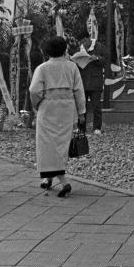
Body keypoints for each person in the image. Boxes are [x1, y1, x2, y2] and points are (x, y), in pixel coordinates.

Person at [29, 36, 86, 197]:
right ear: (64, 49)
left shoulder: (42, 68)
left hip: (48, 107)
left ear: (46, 51)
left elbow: (34, 90)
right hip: (67, 108)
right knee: (61, 145)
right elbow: (79, 90)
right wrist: (81, 112)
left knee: (47, 145)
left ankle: (63, 182)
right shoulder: (72, 67)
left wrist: (37, 104)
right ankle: (48, 179)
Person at [71, 37, 105, 134]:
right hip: (83, 81)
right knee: (82, 106)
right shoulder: (78, 48)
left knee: (96, 106)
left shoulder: (99, 46)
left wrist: (97, 58)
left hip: (95, 82)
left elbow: (106, 60)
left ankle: (97, 128)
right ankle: (81, 128)